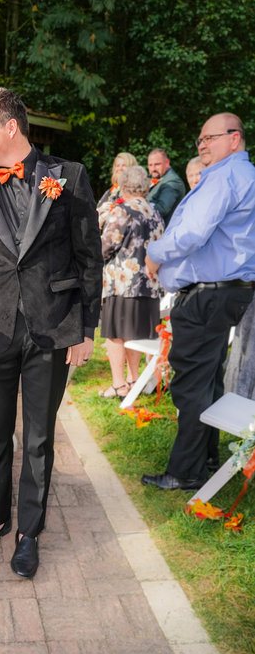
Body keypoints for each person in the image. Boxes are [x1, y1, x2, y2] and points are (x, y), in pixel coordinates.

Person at [0, 87, 103, 579]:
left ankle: (29, 532)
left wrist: (87, 327)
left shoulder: (69, 177)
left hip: (52, 328)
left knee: (38, 438)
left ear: (10, 126)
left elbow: (89, 258)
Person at [142, 113, 255, 491]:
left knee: (191, 383)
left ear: (234, 139)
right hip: (226, 292)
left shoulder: (226, 177)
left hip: (210, 295)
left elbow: (191, 234)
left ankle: (186, 471)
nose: (202, 144)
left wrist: (155, 253)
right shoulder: (242, 175)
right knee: (208, 381)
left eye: (210, 138)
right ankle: (205, 458)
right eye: (200, 139)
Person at [98, 165, 164, 398]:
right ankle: (133, 378)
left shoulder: (122, 211)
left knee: (115, 335)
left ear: (123, 186)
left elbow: (104, 247)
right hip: (150, 285)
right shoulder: (155, 212)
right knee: (136, 335)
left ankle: (118, 385)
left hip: (122, 284)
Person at [97, 152, 138, 229]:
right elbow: (92, 215)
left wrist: (105, 216)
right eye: (117, 166)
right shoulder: (111, 191)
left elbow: (130, 212)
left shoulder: (136, 189)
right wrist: (100, 210)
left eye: (124, 165)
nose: (119, 168)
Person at [146, 148, 185, 226]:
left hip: (164, 233)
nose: (153, 169)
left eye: (157, 164)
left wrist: (137, 208)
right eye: (150, 165)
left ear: (167, 163)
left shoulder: (172, 181)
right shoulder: (158, 178)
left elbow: (162, 209)